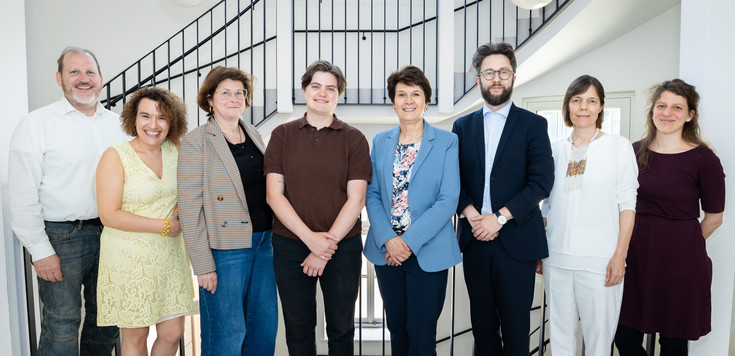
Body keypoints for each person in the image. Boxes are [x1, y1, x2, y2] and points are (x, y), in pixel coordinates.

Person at [8, 47, 124, 355]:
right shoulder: (36, 124)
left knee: (107, 322)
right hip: (61, 237)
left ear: (101, 79)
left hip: (115, 235)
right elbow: (21, 195)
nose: (83, 79)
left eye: (90, 73)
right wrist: (40, 250)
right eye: (74, 72)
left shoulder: (120, 125)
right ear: (59, 78)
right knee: (62, 323)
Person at [452, 42, 554, 355]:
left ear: (513, 76)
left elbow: (541, 182)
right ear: (478, 79)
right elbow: (452, 180)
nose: (497, 78)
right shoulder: (461, 126)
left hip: (517, 240)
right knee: (482, 328)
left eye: (503, 72)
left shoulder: (534, 125)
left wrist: (498, 218)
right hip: (474, 240)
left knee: (515, 329)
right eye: (489, 72)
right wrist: (472, 216)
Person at [265, 60, 371, 356]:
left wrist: (325, 246)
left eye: (331, 88)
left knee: (341, 329)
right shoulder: (282, 135)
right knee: (298, 331)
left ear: (339, 95)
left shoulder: (354, 139)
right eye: (316, 86)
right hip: (290, 247)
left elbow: (357, 199)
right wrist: (311, 240)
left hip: (342, 247)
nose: (322, 93)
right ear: (304, 90)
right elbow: (274, 195)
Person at [615, 79, 726, 356]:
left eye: (677, 107)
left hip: (681, 262)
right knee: (625, 336)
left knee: (673, 342)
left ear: (690, 115)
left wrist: (682, 243)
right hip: (636, 255)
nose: (667, 113)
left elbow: (714, 218)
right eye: (661, 105)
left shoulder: (704, 159)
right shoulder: (633, 151)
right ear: (652, 110)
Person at [178, 66, 277, 355]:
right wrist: (203, 265)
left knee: (263, 328)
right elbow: (189, 205)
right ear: (209, 99)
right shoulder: (197, 141)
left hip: (264, 243)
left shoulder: (254, 132)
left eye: (240, 93)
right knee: (227, 332)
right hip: (225, 250)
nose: (234, 98)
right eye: (225, 93)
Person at [364, 65, 462, 356]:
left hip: (428, 251)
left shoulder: (447, 141)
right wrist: (389, 239)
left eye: (416, 94)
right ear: (393, 101)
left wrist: (407, 242)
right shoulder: (380, 141)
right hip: (387, 252)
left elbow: (448, 199)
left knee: (422, 336)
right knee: (397, 330)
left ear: (426, 101)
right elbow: (372, 193)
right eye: (401, 94)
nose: (408, 100)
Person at [539, 75, 638, 356]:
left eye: (591, 101)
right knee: (560, 340)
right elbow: (546, 205)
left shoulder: (618, 147)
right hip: (556, 259)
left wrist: (620, 255)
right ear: (568, 106)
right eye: (577, 100)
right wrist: (540, 251)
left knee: (598, 342)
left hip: (600, 262)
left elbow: (628, 205)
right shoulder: (555, 150)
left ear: (600, 107)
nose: (584, 107)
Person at [95, 87, 195, 355]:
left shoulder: (176, 148)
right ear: (133, 119)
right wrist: (165, 226)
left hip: (170, 256)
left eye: (161, 118)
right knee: (137, 335)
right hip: (129, 257)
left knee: (173, 332)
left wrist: (182, 212)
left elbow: (191, 188)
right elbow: (109, 214)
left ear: (172, 121)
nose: (153, 125)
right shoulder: (115, 156)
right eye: (145, 116)